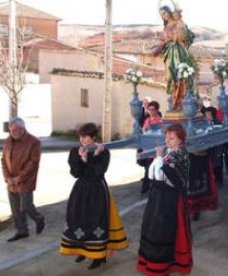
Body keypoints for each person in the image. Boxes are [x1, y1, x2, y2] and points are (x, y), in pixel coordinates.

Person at [60, 123, 128, 270]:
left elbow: (98, 172)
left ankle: (99, 256)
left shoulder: (103, 152)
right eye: (81, 136)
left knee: (96, 221)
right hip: (81, 190)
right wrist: (82, 160)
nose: (82, 139)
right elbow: (75, 173)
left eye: (85, 137)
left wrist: (93, 157)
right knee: (79, 219)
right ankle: (82, 251)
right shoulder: (74, 151)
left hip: (97, 189)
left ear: (93, 137)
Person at [137, 124, 192, 275]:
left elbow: (172, 179)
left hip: (170, 199)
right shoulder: (168, 152)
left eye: (172, 138)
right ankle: (157, 264)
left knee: (165, 231)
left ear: (180, 140)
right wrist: (158, 158)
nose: (168, 141)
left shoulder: (181, 155)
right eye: (166, 137)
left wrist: (160, 158)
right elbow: (152, 175)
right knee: (155, 229)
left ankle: (165, 266)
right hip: (158, 198)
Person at [1, 117, 45, 242]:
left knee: (26, 206)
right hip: (11, 181)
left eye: (14, 130)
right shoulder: (9, 141)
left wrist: (19, 178)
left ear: (22, 129)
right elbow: (3, 160)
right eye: (10, 130)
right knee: (15, 208)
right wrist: (7, 178)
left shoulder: (34, 142)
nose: (12, 133)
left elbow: (33, 163)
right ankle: (22, 231)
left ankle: (39, 218)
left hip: (26, 180)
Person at [154, 5, 194, 111]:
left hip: (178, 51)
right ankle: (175, 101)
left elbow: (184, 36)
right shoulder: (166, 26)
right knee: (171, 76)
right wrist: (157, 48)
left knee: (179, 75)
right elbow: (163, 41)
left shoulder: (179, 22)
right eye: (161, 15)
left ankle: (181, 102)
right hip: (169, 53)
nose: (164, 16)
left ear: (169, 12)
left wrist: (172, 38)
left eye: (164, 13)